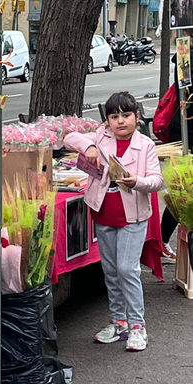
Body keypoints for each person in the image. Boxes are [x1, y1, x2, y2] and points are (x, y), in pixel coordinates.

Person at [64, 92, 164, 352]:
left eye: (126, 115)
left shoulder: (146, 145)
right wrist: (90, 148)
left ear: (137, 117)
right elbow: (69, 137)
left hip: (133, 217)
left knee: (127, 270)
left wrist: (137, 182)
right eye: (114, 116)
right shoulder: (100, 136)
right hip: (103, 214)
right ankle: (118, 321)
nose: (121, 121)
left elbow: (156, 180)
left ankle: (137, 326)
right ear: (107, 120)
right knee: (110, 271)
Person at [161, 29, 193, 263]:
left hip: (185, 127)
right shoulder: (186, 55)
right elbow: (186, 92)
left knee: (183, 192)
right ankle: (161, 240)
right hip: (187, 130)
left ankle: (161, 240)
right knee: (183, 192)